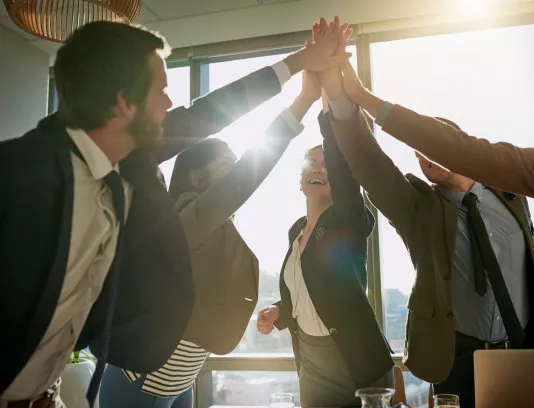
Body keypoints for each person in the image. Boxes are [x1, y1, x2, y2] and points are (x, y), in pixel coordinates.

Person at [0, 19, 349, 407]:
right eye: (161, 91)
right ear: (123, 101)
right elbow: (232, 185)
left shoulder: (130, 165)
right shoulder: (16, 177)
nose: (169, 104)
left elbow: (210, 113)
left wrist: (302, 64)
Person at [327, 19, 534, 387]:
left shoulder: (512, 196)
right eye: (418, 153)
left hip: (521, 349)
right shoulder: (421, 207)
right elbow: (371, 165)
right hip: (456, 362)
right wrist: (352, 99)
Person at [99, 71, 322, 408]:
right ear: (194, 176)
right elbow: (243, 180)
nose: (233, 176)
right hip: (139, 381)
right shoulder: (181, 222)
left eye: (233, 167)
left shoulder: (216, 233)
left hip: (180, 383)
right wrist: (301, 103)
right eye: (226, 167)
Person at [256, 75, 394, 407]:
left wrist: (324, 102)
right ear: (300, 181)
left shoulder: (348, 220)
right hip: (312, 365)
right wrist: (278, 311)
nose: (320, 168)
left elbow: (345, 178)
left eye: (327, 164)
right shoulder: (296, 232)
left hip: (356, 361)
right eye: (311, 163)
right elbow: (306, 294)